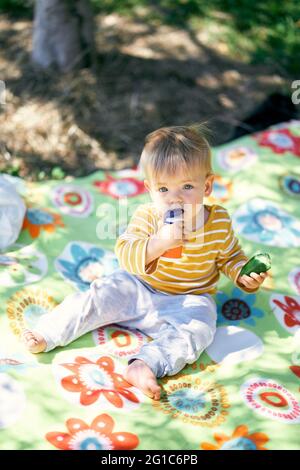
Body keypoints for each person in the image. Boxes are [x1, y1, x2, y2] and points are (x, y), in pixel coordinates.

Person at [22, 124, 268, 400]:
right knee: (98, 296)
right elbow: (126, 253)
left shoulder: (218, 221)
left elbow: (230, 257)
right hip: (140, 287)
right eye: (163, 188)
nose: (175, 197)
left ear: (206, 185)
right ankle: (49, 332)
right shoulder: (148, 216)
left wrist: (242, 275)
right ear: (150, 189)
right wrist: (158, 243)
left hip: (189, 298)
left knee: (200, 329)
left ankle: (145, 364)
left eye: (187, 186)